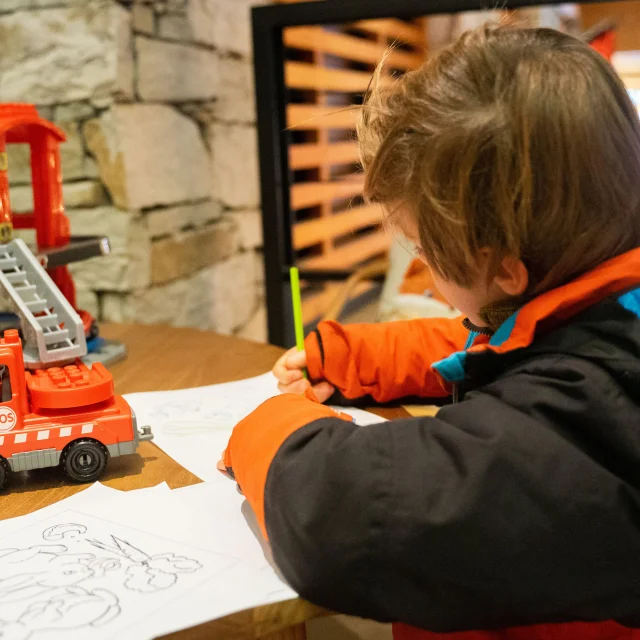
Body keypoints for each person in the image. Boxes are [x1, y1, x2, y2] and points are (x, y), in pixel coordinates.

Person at [219, 24, 640, 640]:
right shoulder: (609, 312)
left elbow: (349, 517)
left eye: (421, 249)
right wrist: (355, 353)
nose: (421, 263)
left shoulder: (594, 416)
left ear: (503, 268)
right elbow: (511, 344)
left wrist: (273, 427)